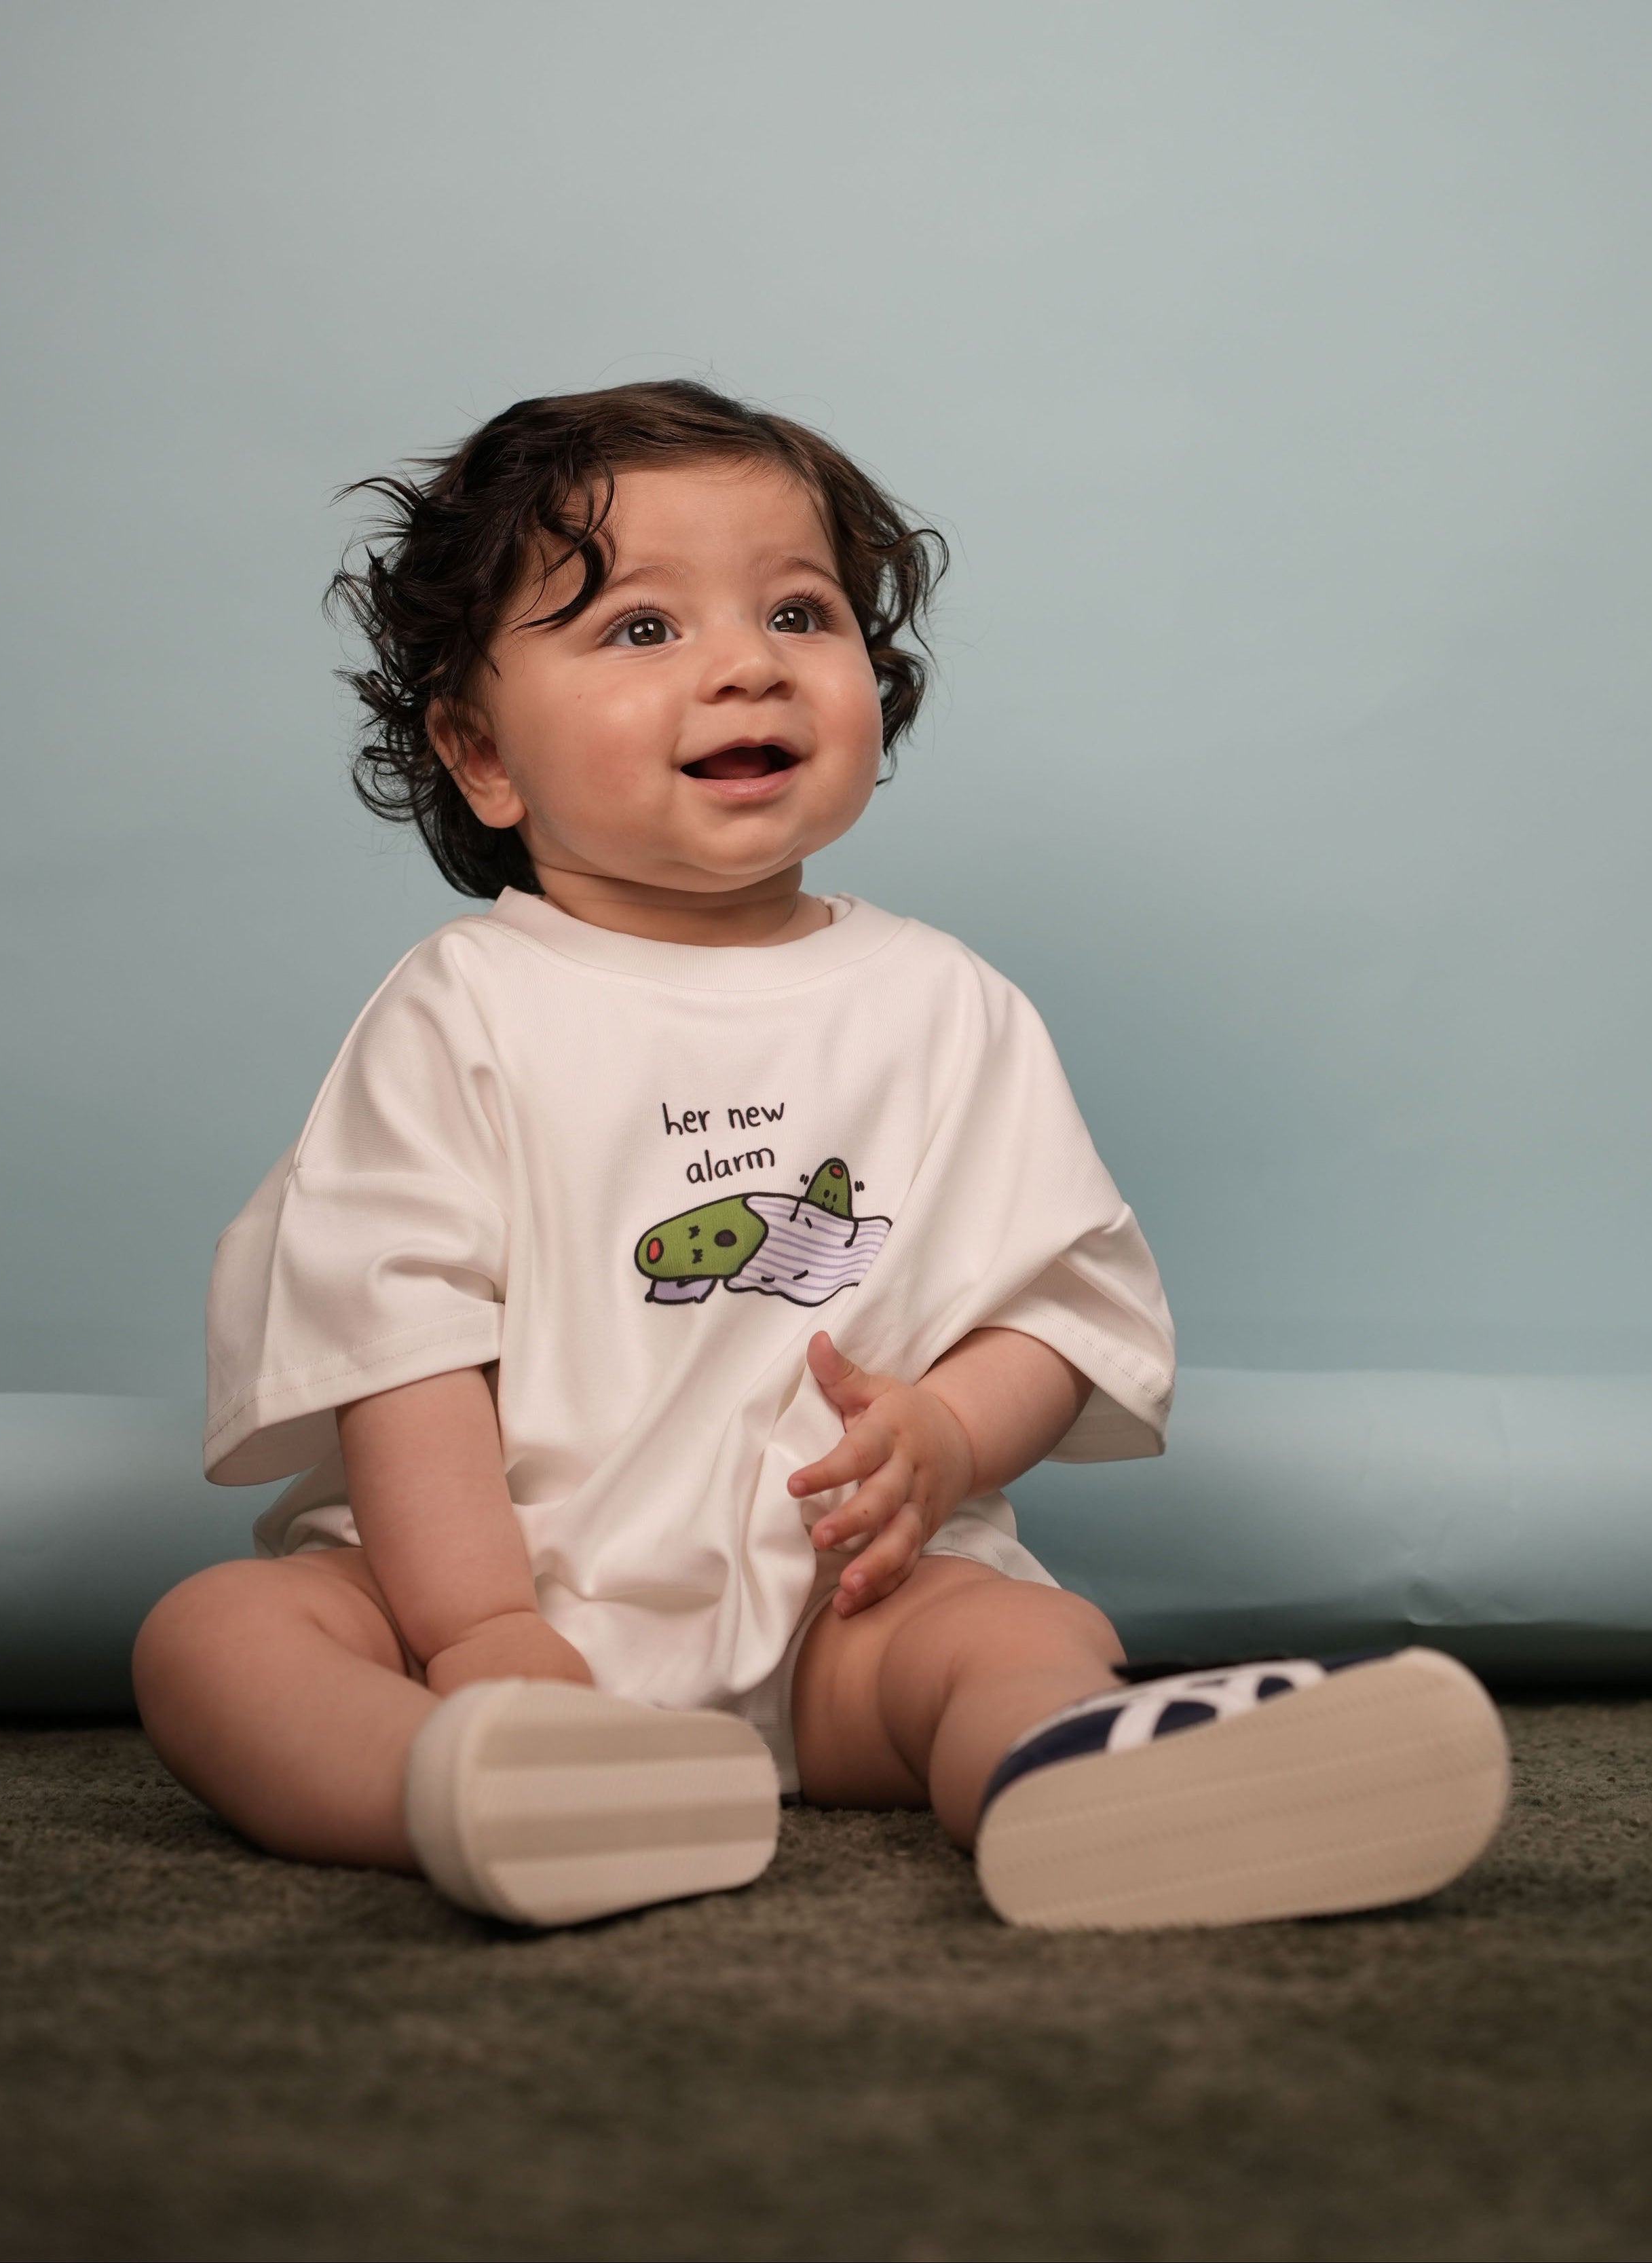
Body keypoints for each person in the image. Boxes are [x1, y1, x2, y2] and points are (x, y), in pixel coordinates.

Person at [132, 381, 1509, 1931]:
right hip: (484, 1608)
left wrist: (946, 1432)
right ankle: (461, 1783)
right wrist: (480, 1632)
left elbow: (1055, 1303)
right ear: (480, 750)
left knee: (997, 1633)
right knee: (221, 1634)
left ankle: (1075, 1768)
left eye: (799, 611)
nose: (742, 664)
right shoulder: (465, 1009)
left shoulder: (942, 1005)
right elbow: (400, 1338)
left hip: (827, 1608)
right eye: (640, 629)